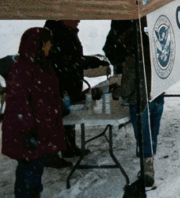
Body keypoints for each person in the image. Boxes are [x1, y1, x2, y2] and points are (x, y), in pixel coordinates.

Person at [1, 28, 65, 198]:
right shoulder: (23, 68)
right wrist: (30, 130)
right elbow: (19, 104)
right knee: (28, 174)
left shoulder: (40, 65)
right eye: (48, 43)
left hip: (38, 131)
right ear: (39, 44)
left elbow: (46, 96)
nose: (50, 46)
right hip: (28, 133)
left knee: (34, 172)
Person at [44, 19, 106, 161]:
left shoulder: (67, 33)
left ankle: (68, 146)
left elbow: (72, 59)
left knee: (69, 116)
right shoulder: (58, 35)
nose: (78, 20)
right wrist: (89, 62)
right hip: (61, 83)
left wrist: (86, 62)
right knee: (59, 117)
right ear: (63, 18)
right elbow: (65, 61)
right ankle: (53, 153)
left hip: (70, 82)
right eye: (74, 17)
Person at [118, 18, 165, 188]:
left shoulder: (132, 60)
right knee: (153, 132)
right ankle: (150, 161)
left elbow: (126, 90)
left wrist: (117, 91)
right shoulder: (155, 55)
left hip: (140, 103)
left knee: (143, 135)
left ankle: (147, 168)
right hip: (157, 97)